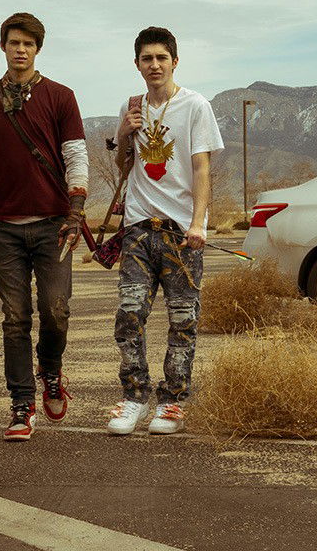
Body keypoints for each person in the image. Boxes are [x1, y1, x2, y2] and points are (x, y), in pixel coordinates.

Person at [0, 13, 88, 441]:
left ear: (38, 49)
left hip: (54, 223)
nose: (20, 50)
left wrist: (75, 212)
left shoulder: (61, 96)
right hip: (3, 225)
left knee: (56, 311)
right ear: (3, 46)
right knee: (14, 317)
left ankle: (51, 370)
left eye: (28, 44)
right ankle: (22, 404)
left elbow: (75, 154)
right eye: (13, 43)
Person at [106, 27, 223, 436]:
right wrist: (122, 133)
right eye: (146, 59)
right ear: (137, 64)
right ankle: (134, 396)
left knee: (182, 319)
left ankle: (172, 401)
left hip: (180, 232)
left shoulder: (195, 106)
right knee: (130, 315)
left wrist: (198, 223)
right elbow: (125, 167)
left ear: (175, 60)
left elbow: (203, 168)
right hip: (139, 226)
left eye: (161, 58)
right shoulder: (132, 105)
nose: (154, 65)